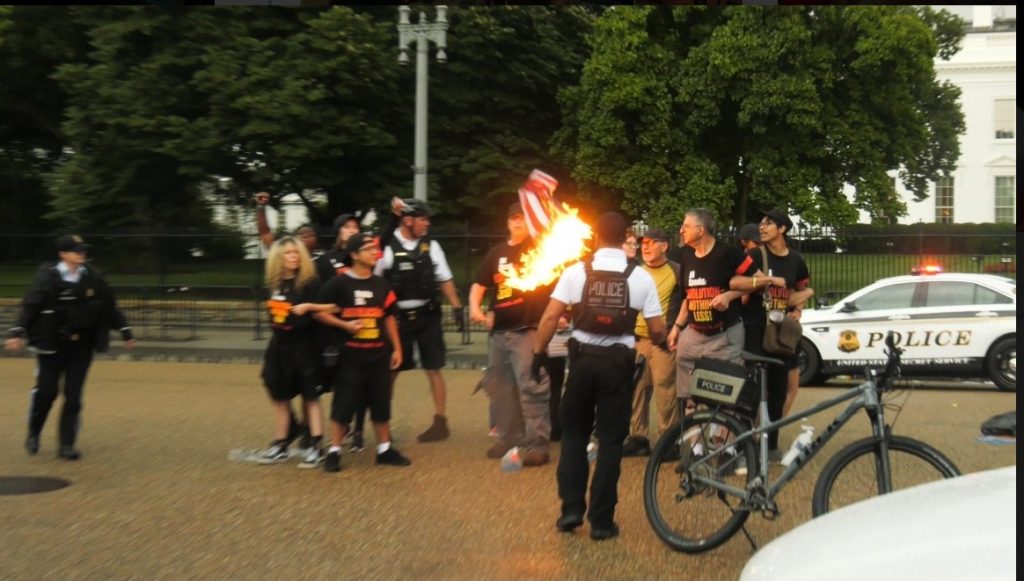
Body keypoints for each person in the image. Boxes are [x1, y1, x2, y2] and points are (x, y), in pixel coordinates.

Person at [533, 212, 665, 541]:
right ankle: (602, 521)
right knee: (609, 441)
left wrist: (538, 352)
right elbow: (657, 329)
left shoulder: (576, 272)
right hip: (617, 365)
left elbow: (550, 316)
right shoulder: (641, 277)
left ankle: (571, 511)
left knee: (574, 436)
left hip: (582, 363)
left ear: (595, 238)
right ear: (625, 239)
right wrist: (663, 342)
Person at [5, 235, 134, 460]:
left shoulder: (92, 277)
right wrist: (18, 331)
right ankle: (34, 431)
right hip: (52, 344)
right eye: (76, 250)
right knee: (47, 392)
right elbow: (30, 306)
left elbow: (109, 305)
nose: (81, 254)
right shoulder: (48, 278)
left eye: (82, 250)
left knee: (73, 395)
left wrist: (124, 329)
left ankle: (67, 444)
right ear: (63, 254)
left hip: (81, 345)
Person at [314, 233, 411, 472]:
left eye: (375, 249)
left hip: (378, 355)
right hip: (351, 356)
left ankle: (384, 449)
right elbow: (318, 312)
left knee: (381, 402)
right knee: (344, 403)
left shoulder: (381, 284)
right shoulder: (339, 283)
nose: (374, 253)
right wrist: (344, 325)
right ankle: (335, 451)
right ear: (354, 255)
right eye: (368, 249)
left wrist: (397, 348)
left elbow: (389, 316)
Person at [468, 202, 552, 466]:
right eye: (514, 218)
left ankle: (537, 444)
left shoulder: (539, 250)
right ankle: (508, 438)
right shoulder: (496, 253)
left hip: (527, 330)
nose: (519, 222)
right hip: (499, 333)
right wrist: (475, 308)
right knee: (499, 387)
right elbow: (479, 284)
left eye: (523, 219)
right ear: (507, 222)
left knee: (531, 385)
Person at [374, 198, 464, 443]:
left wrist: (456, 307)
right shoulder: (388, 246)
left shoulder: (431, 246)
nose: (427, 223)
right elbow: (375, 281)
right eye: (423, 218)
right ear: (407, 220)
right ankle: (384, 425)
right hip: (398, 320)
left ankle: (440, 422)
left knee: (434, 368)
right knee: (391, 371)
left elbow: (444, 277)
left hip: (428, 316)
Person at [731, 209, 814, 460]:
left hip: (781, 335)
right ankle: (744, 445)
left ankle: (771, 444)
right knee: (752, 391)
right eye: (761, 222)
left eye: (768, 224)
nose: (762, 227)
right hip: (756, 330)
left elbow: (802, 287)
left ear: (782, 230)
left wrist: (798, 307)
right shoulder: (755, 255)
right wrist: (765, 281)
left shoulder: (796, 260)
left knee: (778, 391)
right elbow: (735, 282)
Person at [666, 209, 758, 420]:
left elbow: (759, 280)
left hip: (725, 336)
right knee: (690, 392)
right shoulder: (686, 256)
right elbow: (688, 297)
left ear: (700, 230)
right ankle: (697, 445)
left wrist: (729, 296)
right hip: (695, 333)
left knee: (724, 393)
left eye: (686, 226)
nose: (681, 230)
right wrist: (677, 327)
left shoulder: (728, 254)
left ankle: (725, 444)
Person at [256, 237, 328, 468]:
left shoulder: (310, 283)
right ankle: (281, 441)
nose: (293, 257)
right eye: (288, 253)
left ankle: (316, 445)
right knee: (279, 395)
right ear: (279, 257)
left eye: (296, 253)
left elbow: (325, 309)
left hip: (305, 345)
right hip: (280, 344)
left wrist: (308, 308)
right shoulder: (275, 284)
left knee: (310, 397)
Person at [623, 228, 681, 457]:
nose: (644, 247)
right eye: (642, 243)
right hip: (637, 340)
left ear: (664, 246)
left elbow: (686, 303)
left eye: (650, 242)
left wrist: (675, 331)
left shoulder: (677, 271)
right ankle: (638, 437)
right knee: (636, 389)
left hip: (663, 342)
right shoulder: (635, 271)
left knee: (666, 390)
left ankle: (669, 442)